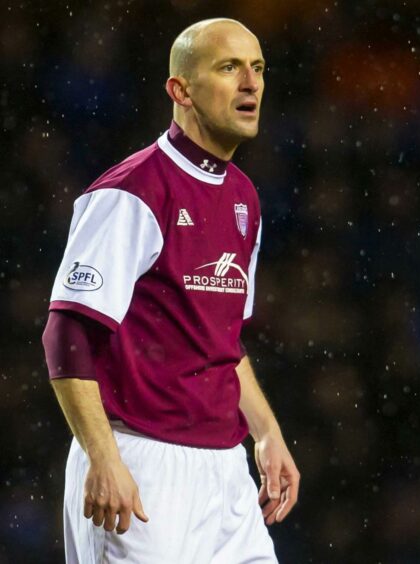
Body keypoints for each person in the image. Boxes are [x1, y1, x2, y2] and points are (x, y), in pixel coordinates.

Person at [42, 18, 300, 564]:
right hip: (141, 465)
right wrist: (103, 458)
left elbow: (220, 341)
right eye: (229, 68)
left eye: (257, 68)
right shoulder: (130, 192)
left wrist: (267, 432)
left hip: (224, 471)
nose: (250, 83)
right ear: (180, 90)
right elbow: (66, 337)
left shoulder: (244, 198)